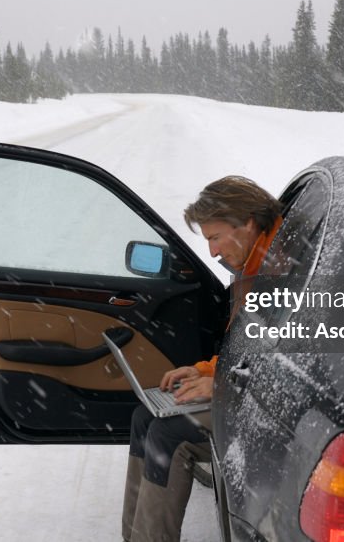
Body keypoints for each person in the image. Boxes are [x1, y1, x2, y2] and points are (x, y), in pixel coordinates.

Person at [121, 176, 283, 542]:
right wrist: (203, 370)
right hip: (248, 389)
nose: (212, 253)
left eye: (214, 237)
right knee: (145, 417)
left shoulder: (286, 273)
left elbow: (295, 363)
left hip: (272, 406)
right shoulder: (255, 268)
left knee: (170, 434)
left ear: (249, 224)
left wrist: (222, 385)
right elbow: (249, 349)